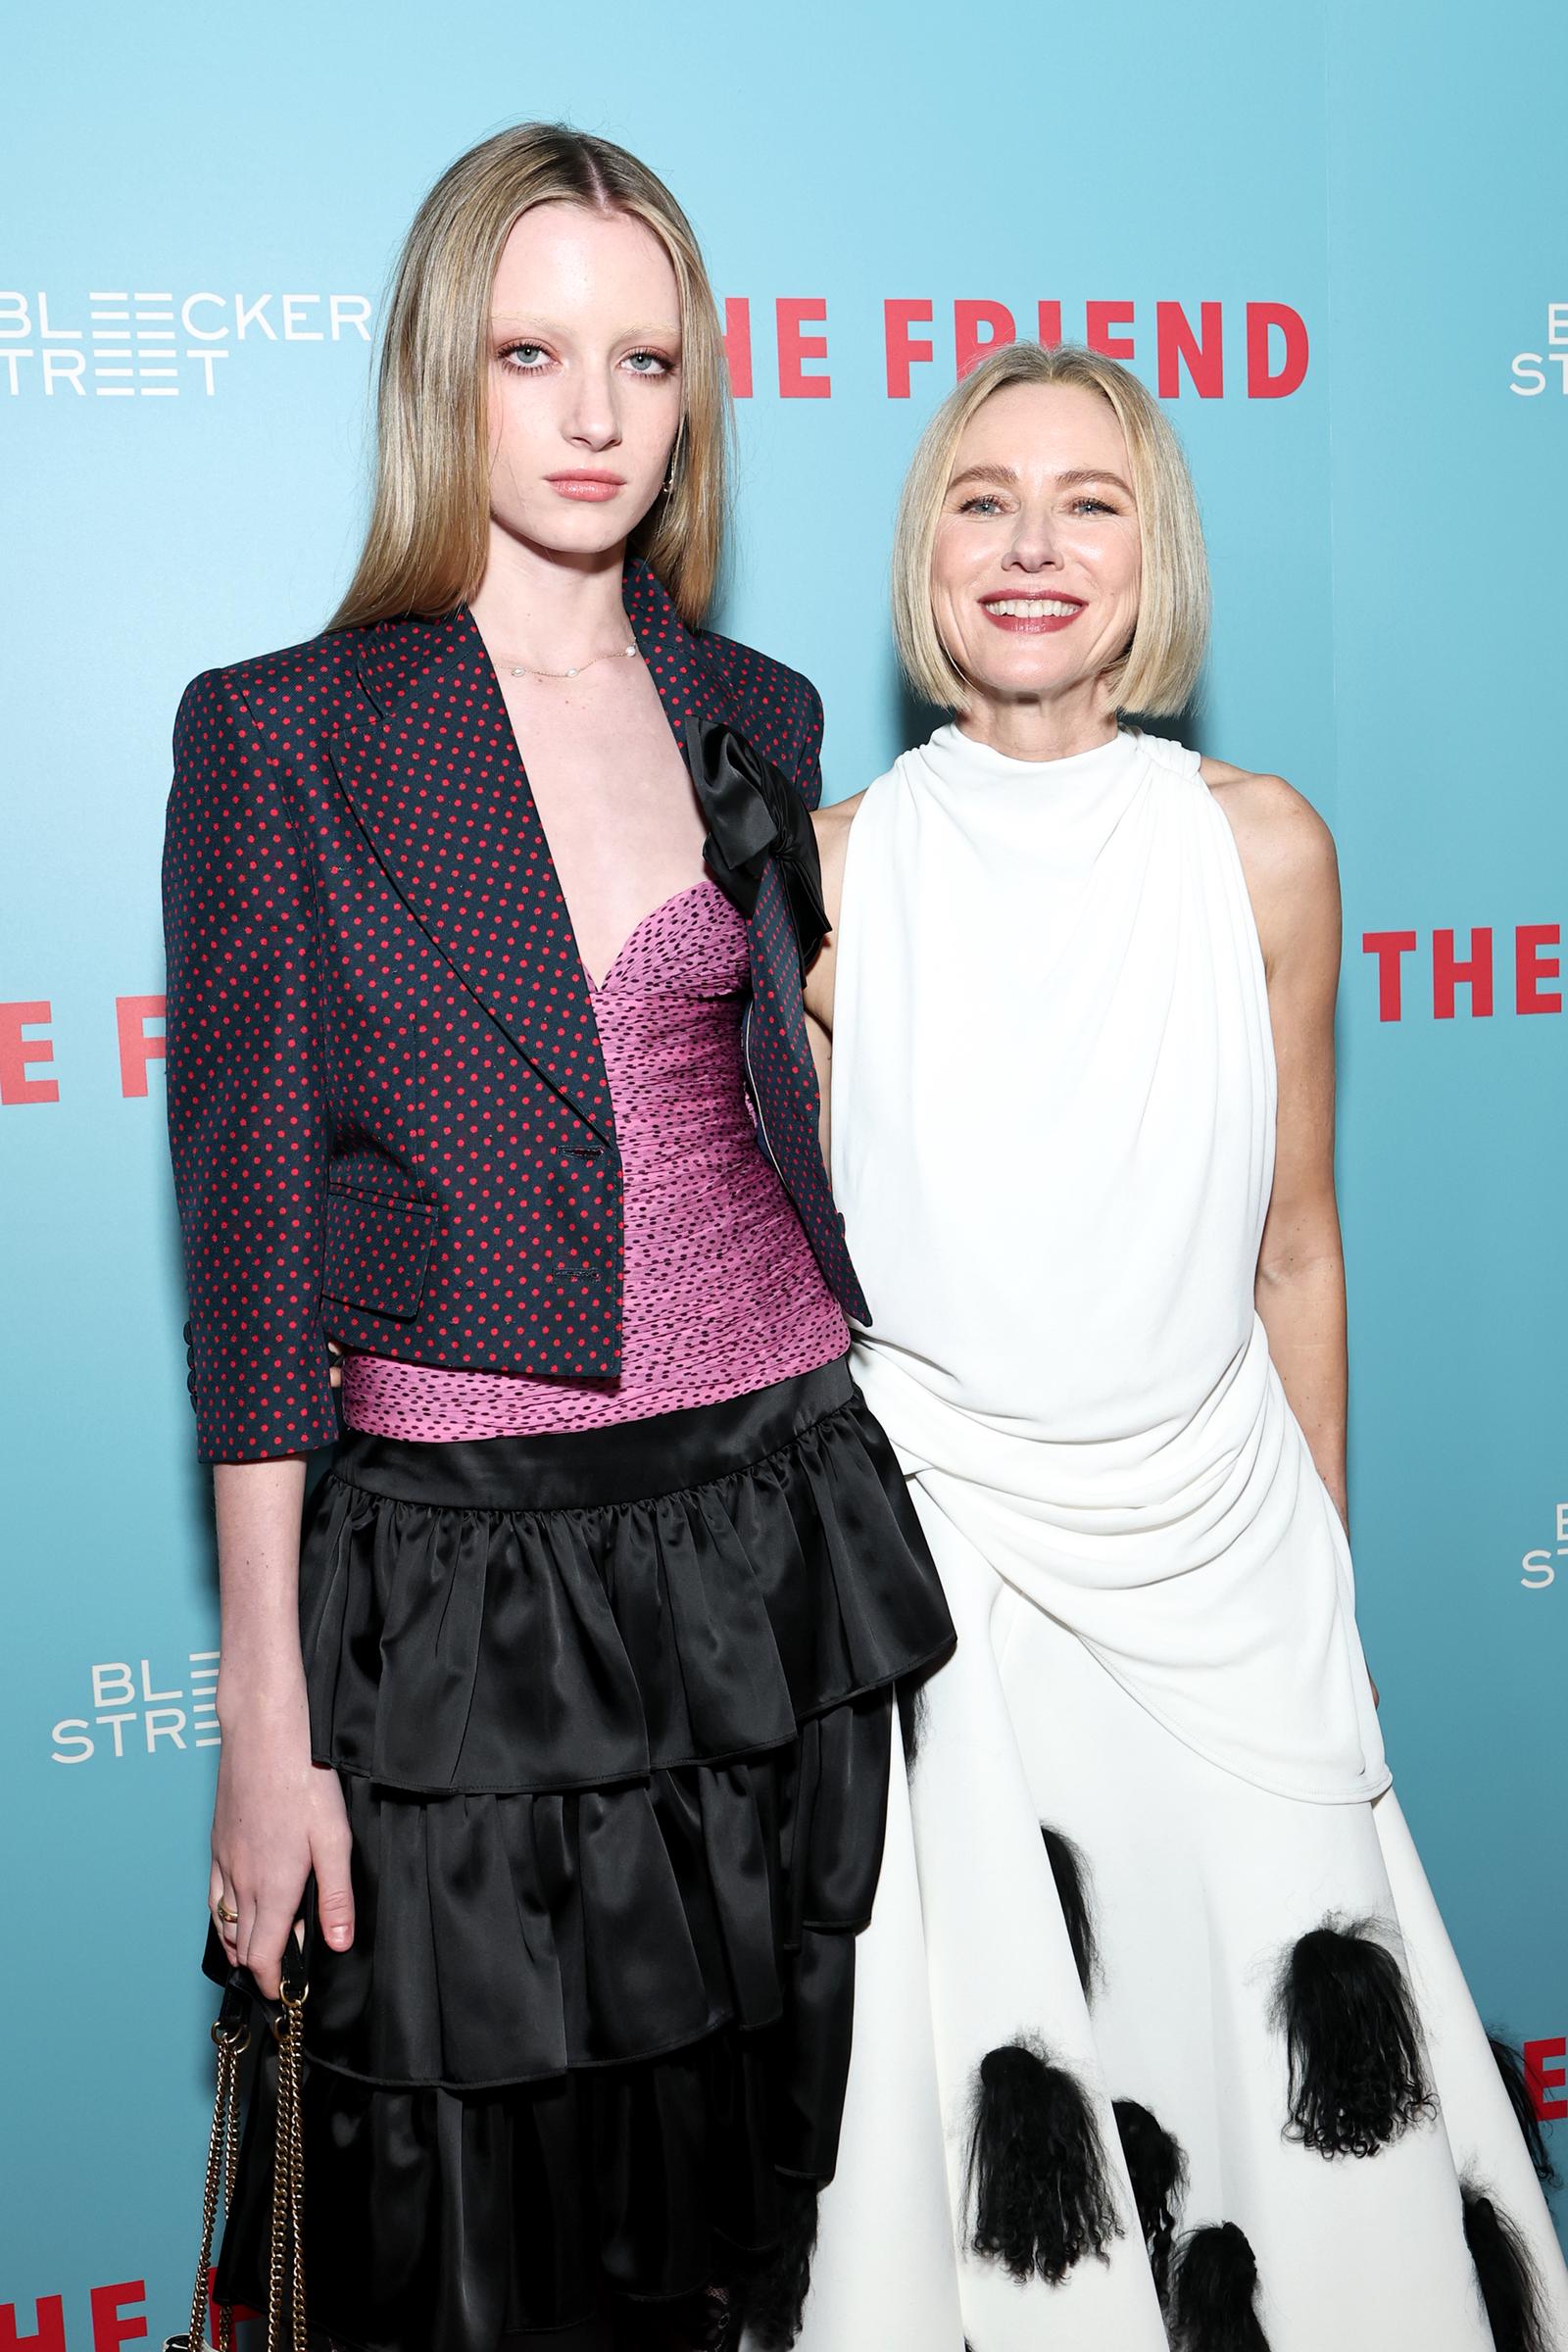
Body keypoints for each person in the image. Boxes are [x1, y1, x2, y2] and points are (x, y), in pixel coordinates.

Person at [162, 122, 953, 2352]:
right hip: (469, 1592)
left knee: (767, 2181)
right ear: (445, 374)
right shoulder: (285, 742)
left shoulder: (757, 714)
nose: (594, 413)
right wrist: (267, 1721)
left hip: (771, 1550)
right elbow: (250, 1273)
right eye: (532, 352)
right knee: (469, 2220)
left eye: (644, 358)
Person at [793, 340, 1568, 2351]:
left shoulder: (1262, 851)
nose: (1030, 545)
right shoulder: (832, 877)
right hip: (955, 1592)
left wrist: (1315, 1561)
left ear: (1155, 558)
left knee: (1304, 2115)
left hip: (1229, 1572)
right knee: (1013, 2131)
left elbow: (1291, 1248)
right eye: (980, 498)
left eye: (1088, 499)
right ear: (922, 553)